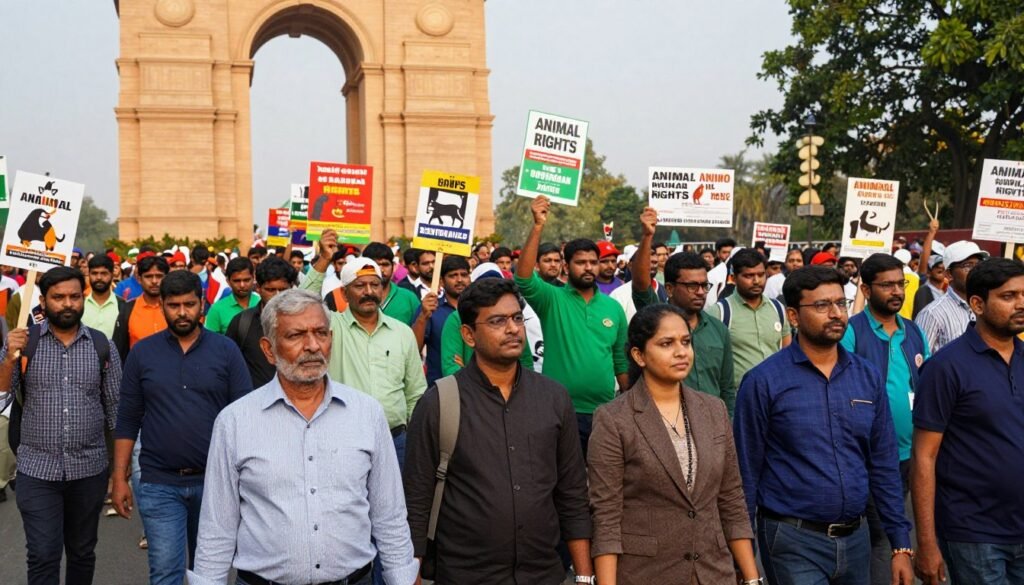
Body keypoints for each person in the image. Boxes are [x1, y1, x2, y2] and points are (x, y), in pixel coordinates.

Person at [188, 289, 417, 585]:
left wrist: (402, 577)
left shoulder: (367, 414)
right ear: (268, 349)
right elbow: (217, 527)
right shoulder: (235, 422)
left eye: (321, 333)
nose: (312, 346)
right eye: (296, 336)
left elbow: (390, 515)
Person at [404, 278, 594, 584]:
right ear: (468, 335)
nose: (513, 329)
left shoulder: (553, 398)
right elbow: (417, 500)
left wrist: (584, 577)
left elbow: (572, 492)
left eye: (517, 318)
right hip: (466, 574)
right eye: (497, 321)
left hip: (543, 572)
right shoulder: (440, 402)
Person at [734, 266, 914, 585]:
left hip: (857, 539)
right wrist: (742, 560)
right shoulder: (763, 382)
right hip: (792, 540)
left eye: (840, 303)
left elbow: (883, 463)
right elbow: (745, 473)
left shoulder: (867, 376)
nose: (835, 314)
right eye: (821, 306)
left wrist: (900, 544)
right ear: (793, 315)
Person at [589, 304, 760, 585]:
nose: (681, 352)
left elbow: (731, 500)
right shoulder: (614, 419)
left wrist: (752, 578)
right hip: (647, 573)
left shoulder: (713, 410)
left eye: (686, 342)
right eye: (666, 344)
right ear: (639, 355)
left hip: (713, 571)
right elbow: (606, 515)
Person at [111, 271, 253, 585]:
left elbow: (245, 416)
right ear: (161, 305)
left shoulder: (226, 351)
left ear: (202, 303)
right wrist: (119, 478)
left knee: (209, 575)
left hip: (216, 483)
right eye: (173, 305)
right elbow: (128, 418)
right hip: (159, 483)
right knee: (165, 573)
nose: (182, 312)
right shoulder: (142, 354)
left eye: (189, 304)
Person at [0, 267, 122, 585]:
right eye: (58, 298)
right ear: (43, 302)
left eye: (73, 297)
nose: (67, 304)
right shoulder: (24, 344)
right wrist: (9, 357)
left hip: (89, 469)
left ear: (82, 299)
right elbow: (1, 394)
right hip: (37, 469)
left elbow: (116, 413)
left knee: (82, 552)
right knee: (42, 554)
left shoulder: (103, 347)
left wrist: (120, 474)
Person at [912, 258, 1024, 585]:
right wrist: (927, 543)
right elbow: (924, 456)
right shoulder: (946, 367)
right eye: (1008, 296)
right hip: (974, 533)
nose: (1021, 304)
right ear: (977, 303)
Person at [515, 196, 628, 457]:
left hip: (605, 412)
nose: (588, 268)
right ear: (566, 266)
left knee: (602, 482)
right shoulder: (552, 299)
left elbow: (620, 361)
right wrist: (538, 225)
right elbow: (522, 278)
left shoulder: (612, 308)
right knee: (566, 482)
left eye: (593, 262)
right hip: (560, 410)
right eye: (580, 262)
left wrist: (630, 403)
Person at [840, 253, 929, 585]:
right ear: (866, 288)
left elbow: (925, 383)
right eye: (887, 285)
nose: (896, 291)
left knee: (898, 527)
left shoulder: (914, 332)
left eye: (900, 284)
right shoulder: (852, 332)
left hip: (910, 454)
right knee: (884, 537)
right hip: (869, 455)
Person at [300, 233, 426, 467]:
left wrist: (416, 438)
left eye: (374, 285)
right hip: (343, 439)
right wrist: (325, 259)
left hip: (395, 440)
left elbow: (415, 392)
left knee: (393, 503)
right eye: (359, 286)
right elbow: (302, 301)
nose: (368, 291)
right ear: (345, 293)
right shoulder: (331, 328)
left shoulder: (401, 333)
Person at [632, 208, 737, 414]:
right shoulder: (655, 318)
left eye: (703, 286)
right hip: (664, 424)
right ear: (669, 288)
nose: (700, 292)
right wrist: (647, 237)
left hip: (710, 427)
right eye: (691, 286)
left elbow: (727, 390)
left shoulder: (718, 330)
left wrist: (728, 431)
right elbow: (641, 284)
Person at [708, 248, 791, 389]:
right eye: (749, 276)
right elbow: (712, 364)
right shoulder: (719, 312)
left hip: (777, 394)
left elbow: (787, 353)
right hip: (738, 398)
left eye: (761, 275)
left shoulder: (778, 309)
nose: (756, 281)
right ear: (733, 278)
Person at [225, 256, 297, 389]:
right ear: (258, 288)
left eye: (283, 290)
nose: (277, 296)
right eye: (270, 290)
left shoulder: (301, 322)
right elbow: (227, 365)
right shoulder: (242, 323)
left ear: (292, 287)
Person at [915, 240, 989, 353]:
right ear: (949, 274)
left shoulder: (987, 308)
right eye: (967, 266)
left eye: (978, 265)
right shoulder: (932, 314)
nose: (975, 271)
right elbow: (919, 360)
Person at [417, 255, 470, 386]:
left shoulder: (479, 309)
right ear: (441, 281)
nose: (459, 280)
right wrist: (423, 317)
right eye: (453, 276)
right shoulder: (430, 308)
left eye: (464, 275)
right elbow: (414, 348)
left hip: (475, 387)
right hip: (440, 386)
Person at [111, 254, 170, 362]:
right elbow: (118, 351)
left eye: (159, 276)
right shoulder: (128, 309)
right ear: (139, 279)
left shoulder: (175, 309)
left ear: (166, 277)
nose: (154, 281)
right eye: (148, 276)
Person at [358, 242, 421, 325]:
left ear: (393, 266)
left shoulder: (409, 298)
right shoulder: (357, 296)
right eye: (375, 265)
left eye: (385, 264)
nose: (381, 269)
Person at [204, 257, 259, 334]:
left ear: (253, 279)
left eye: (246, 280)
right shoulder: (217, 310)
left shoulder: (261, 303)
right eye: (237, 281)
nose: (242, 285)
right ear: (228, 281)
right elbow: (211, 341)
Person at [82, 254, 123, 339]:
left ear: (112, 275)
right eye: (94, 273)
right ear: (89, 274)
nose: (99, 277)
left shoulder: (123, 306)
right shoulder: (79, 305)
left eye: (104, 273)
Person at [913, 251, 947, 319]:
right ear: (928, 272)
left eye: (944, 266)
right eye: (937, 266)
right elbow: (921, 318)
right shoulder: (923, 291)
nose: (941, 266)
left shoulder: (944, 292)